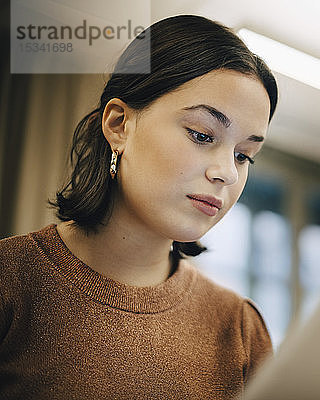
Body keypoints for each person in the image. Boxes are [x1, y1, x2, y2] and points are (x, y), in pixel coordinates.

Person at [0, 14, 278, 399]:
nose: (227, 173)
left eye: (245, 155)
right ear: (119, 124)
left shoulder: (241, 330)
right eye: (202, 134)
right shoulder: (10, 279)